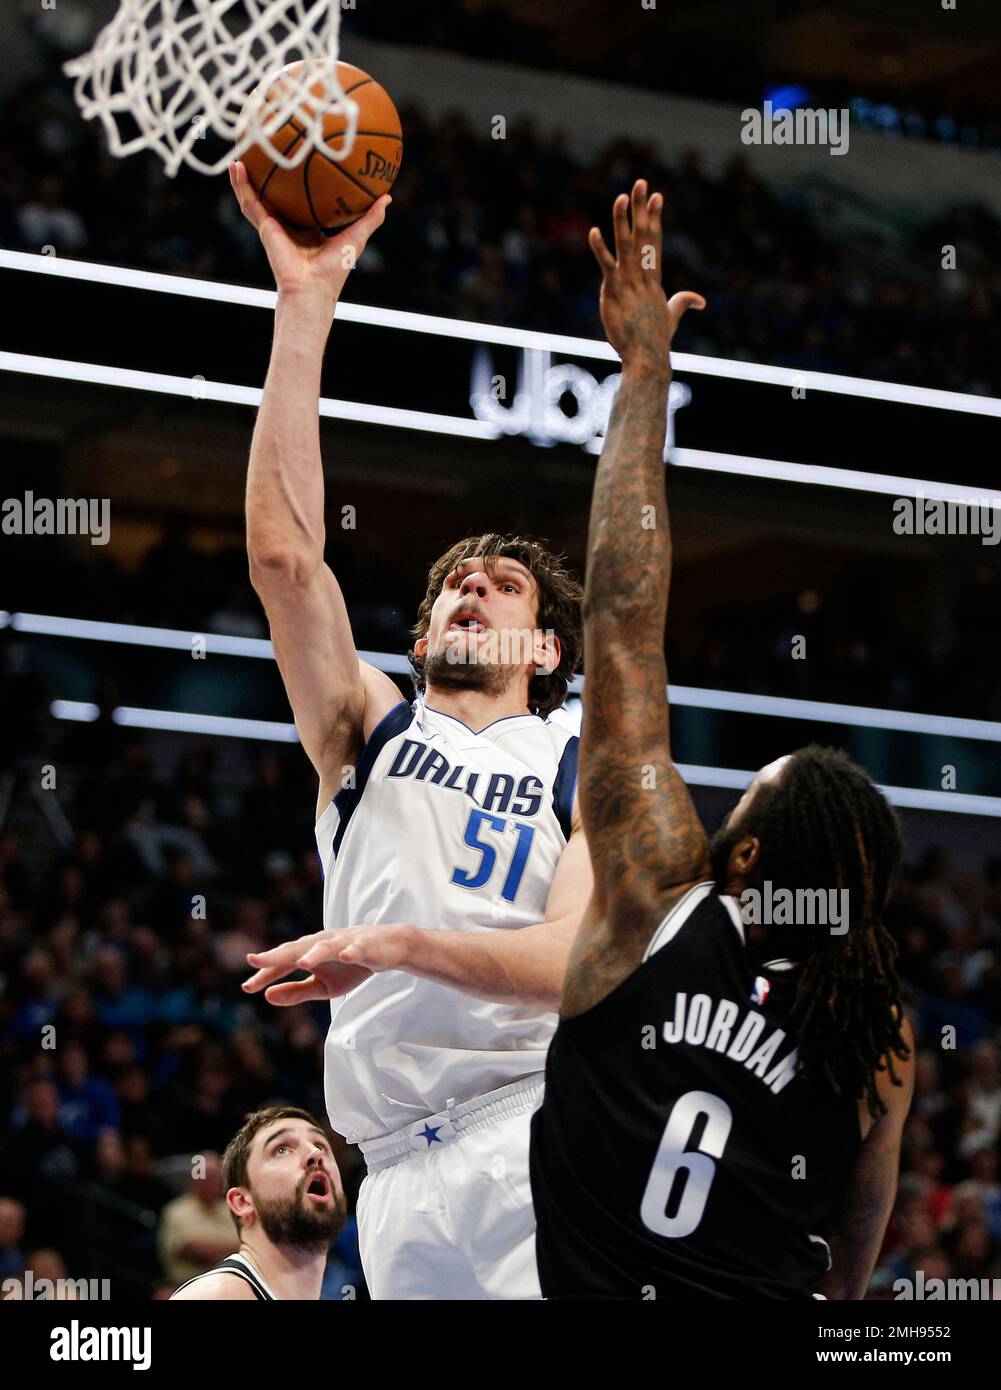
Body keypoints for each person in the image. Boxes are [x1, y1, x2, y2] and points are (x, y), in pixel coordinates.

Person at [529, 180, 915, 1299]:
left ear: (740, 854)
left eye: (741, 795)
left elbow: (619, 625)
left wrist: (643, 381)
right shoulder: (878, 1042)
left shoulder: (655, 894)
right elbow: (850, 1257)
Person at [229, 163, 593, 1300]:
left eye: (501, 588)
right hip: (385, 1168)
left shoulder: (582, 757)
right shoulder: (369, 729)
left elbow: (570, 966)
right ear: (422, 632)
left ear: (544, 653)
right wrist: (305, 302)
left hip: (530, 1133)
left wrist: (388, 944)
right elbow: (288, 561)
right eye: (452, 588)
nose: (471, 593)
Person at [170, 1108, 344, 1300]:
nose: (315, 1154)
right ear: (243, 1202)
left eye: (321, 1146)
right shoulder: (214, 1295)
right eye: (281, 1150)